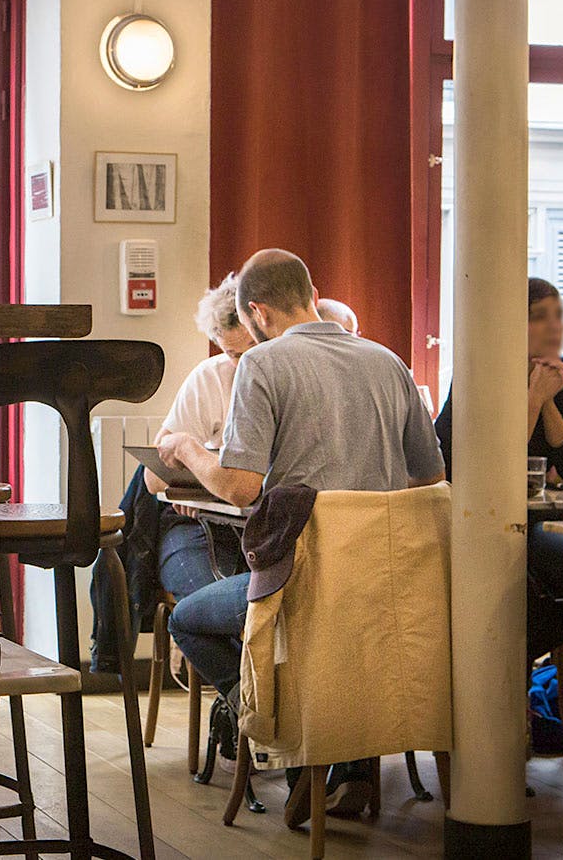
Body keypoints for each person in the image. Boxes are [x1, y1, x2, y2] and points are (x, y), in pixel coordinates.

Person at [158, 248, 444, 818]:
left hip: (299, 583)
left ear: (257, 313)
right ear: (312, 296)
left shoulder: (264, 366)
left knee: (187, 619)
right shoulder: (388, 361)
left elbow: (240, 488)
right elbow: (430, 476)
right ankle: (346, 764)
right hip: (385, 587)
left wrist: (188, 448)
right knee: (340, 637)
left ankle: (285, 737)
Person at [434, 277, 563, 661]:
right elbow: (480, 466)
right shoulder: (479, 373)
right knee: (556, 575)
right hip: (481, 521)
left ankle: (516, 668)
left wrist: (548, 399)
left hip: (536, 521)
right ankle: (505, 668)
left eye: (558, 316)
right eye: (539, 317)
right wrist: (533, 398)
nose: (555, 327)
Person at [142, 274, 252, 601]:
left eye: (254, 349)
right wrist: (207, 482)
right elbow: (154, 478)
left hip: (260, 528)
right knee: (214, 603)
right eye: (234, 354)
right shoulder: (210, 377)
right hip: (201, 527)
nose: (247, 364)